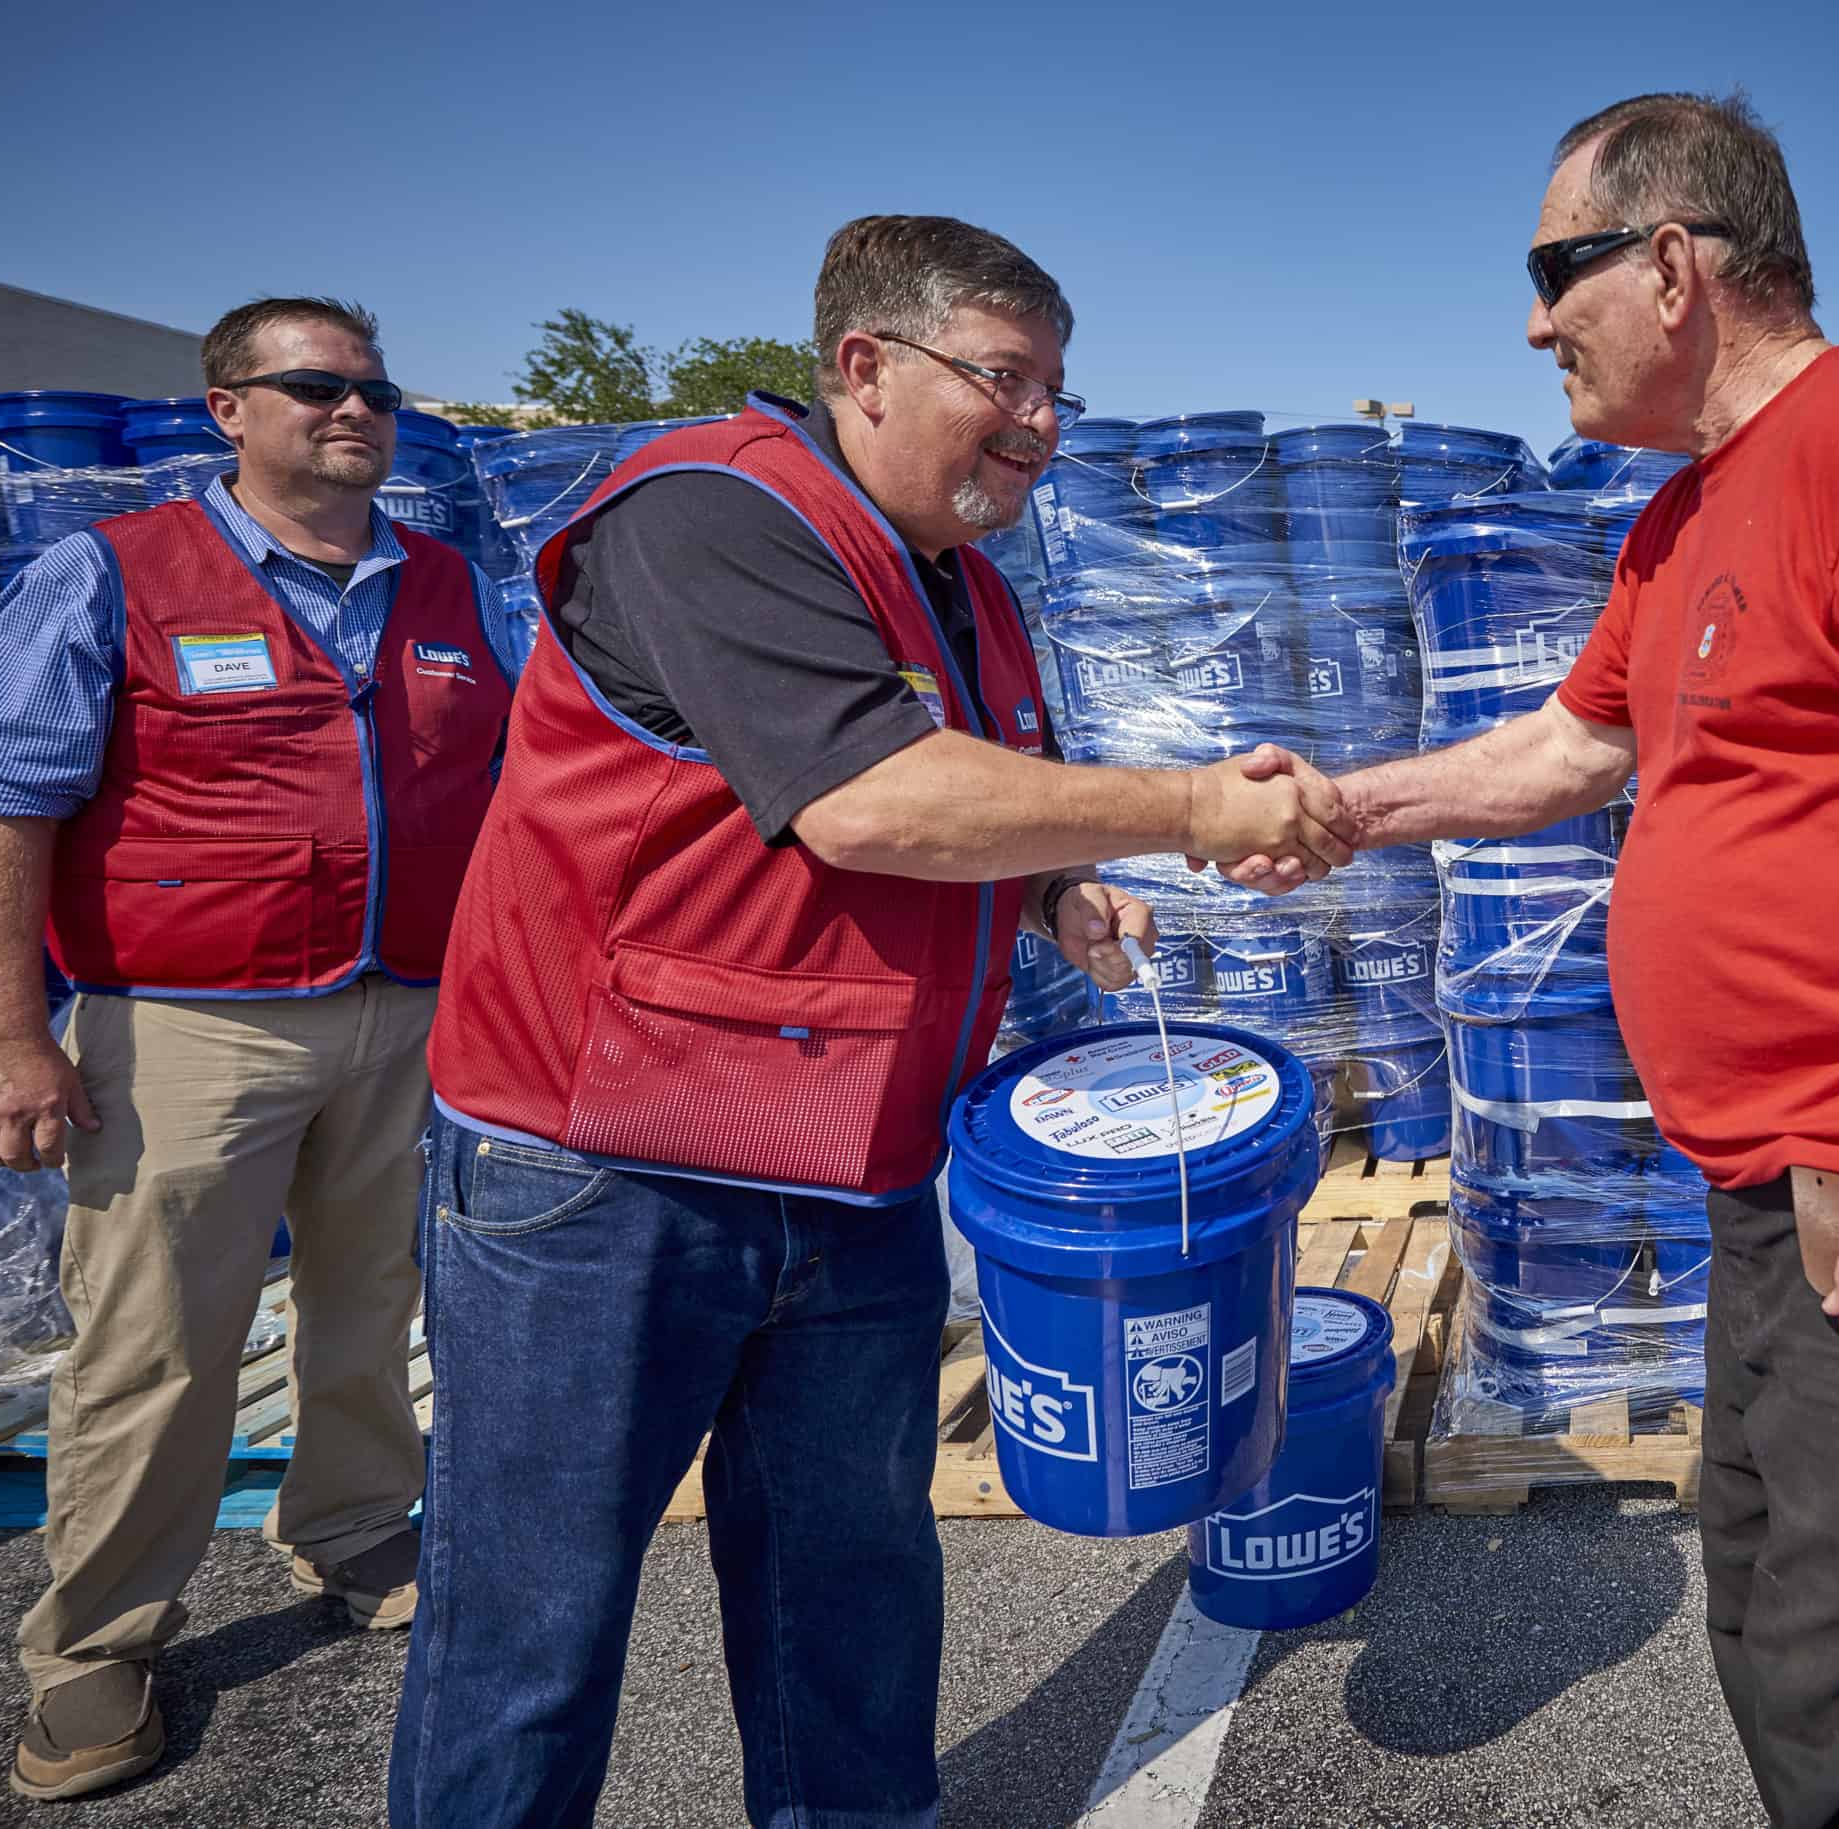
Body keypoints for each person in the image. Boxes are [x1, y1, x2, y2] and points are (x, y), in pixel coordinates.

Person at [392, 215, 1349, 1828]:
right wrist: (1192, 805)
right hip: (611, 1172)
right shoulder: (714, 515)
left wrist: (1054, 892)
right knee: (533, 1621)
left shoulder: (969, 589)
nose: (1040, 423)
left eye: (1055, 390)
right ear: (865, 365)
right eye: (1005, 379)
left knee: (847, 1591)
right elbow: (869, 797)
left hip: (853, 1168)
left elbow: (978, 806)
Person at [1324, 95, 1839, 1827]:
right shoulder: (1683, 518)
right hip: (1773, 1205)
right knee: (1777, 1642)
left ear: (1672, 266)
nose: (1533, 324)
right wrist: (1342, 807)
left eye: (1553, 273)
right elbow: (1569, 750)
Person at [0, 297, 522, 1800]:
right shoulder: (113, 575)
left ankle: (355, 1526)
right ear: (228, 410)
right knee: (156, 1341)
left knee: (374, 1294)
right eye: (314, 385)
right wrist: (4, 1032)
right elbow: (1, 805)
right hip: (190, 1027)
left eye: (376, 389)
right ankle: (95, 1644)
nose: (355, 409)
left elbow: (517, 790)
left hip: (409, 1010)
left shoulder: (447, 585)